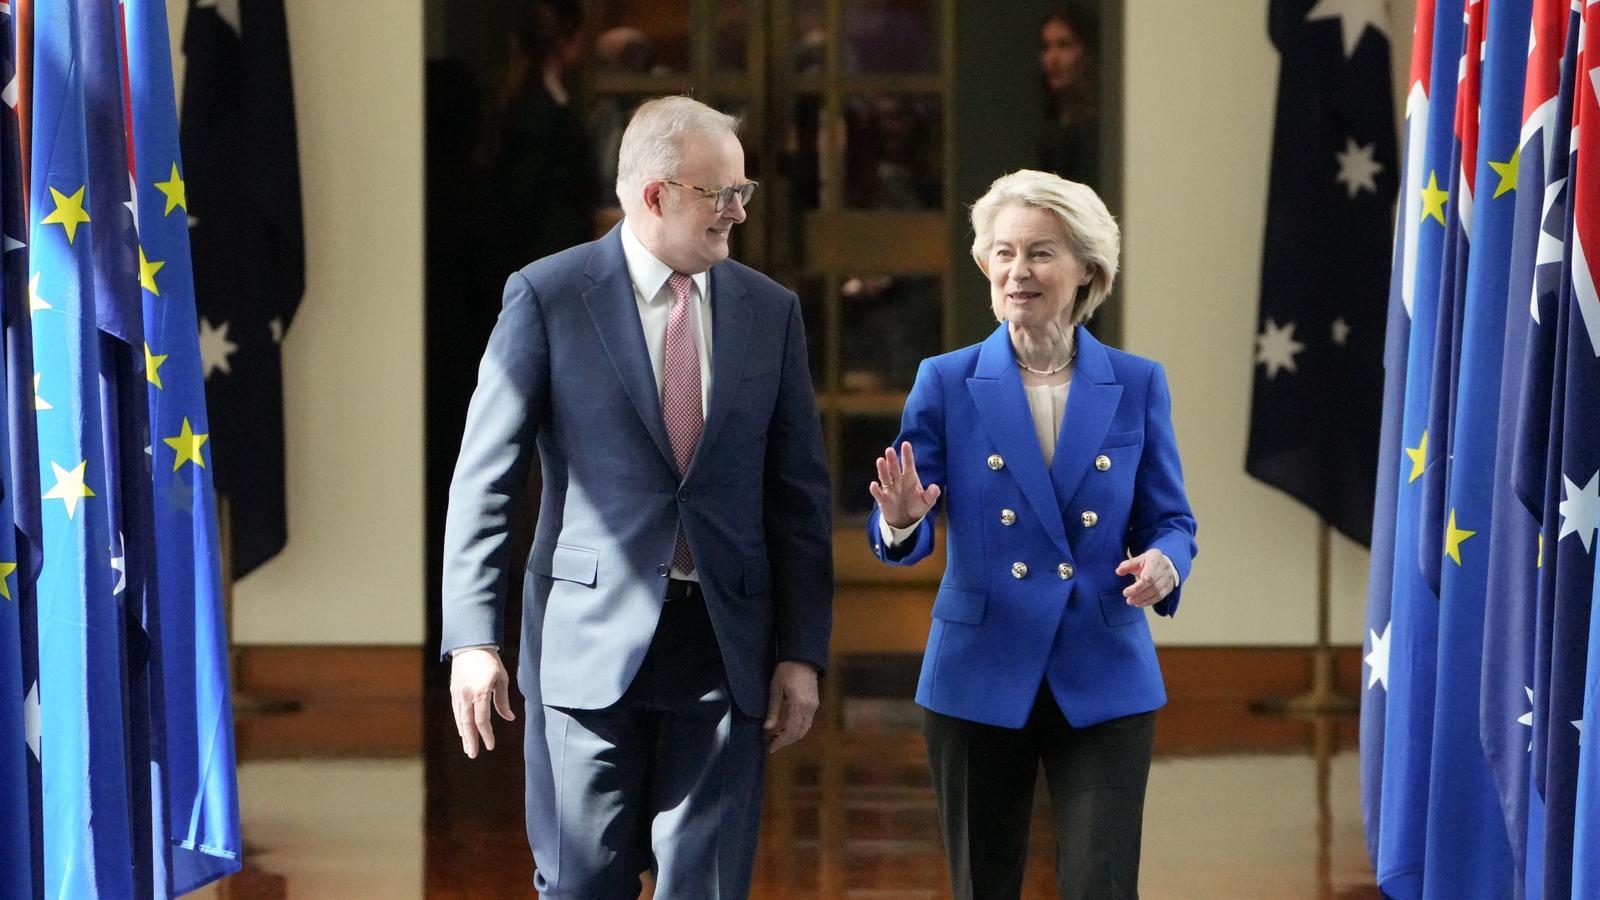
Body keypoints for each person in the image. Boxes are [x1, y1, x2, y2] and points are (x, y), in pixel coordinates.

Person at [442, 96, 834, 898]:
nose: (737, 213)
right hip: (586, 646)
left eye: (742, 193)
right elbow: (486, 478)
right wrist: (474, 640)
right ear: (653, 194)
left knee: (708, 885)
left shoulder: (770, 312)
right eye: (718, 194)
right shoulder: (549, 297)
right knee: (583, 882)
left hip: (726, 645)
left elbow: (798, 496)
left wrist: (802, 651)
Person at [866, 169, 1196, 899]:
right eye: (1004, 252)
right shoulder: (945, 381)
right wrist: (900, 520)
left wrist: (1167, 565)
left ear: (1088, 270)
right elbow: (901, 516)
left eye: (1041, 252)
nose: (1019, 271)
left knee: (1099, 885)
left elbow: (1170, 520)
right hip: (980, 669)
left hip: (1103, 667)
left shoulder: (1137, 383)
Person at [488, 0, 598, 268]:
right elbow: (525, 195)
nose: (584, 46)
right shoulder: (538, 110)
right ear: (563, 41)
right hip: (546, 251)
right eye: (579, 37)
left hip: (556, 248)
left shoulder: (545, 102)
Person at [1036, 8, 1100, 189]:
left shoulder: (1102, 125)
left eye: (1064, 45)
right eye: (1046, 47)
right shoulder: (1056, 121)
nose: (1051, 58)